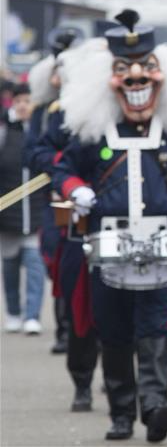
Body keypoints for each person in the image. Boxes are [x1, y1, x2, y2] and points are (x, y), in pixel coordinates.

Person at [53, 10, 167, 442]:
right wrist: (76, 188)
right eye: (125, 74)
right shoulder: (94, 133)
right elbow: (63, 168)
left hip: (159, 246)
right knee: (115, 333)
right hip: (107, 249)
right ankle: (121, 412)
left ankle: (155, 407)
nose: (136, 83)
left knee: (156, 329)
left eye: (145, 74)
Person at [33, 37, 107, 413]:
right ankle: (82, 382)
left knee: (132, 316)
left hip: (124, 229)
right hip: (78, 225)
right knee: (79, 306)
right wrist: (70, 181)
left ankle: (123, 383)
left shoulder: (134, 114)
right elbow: (43, 152)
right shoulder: (65, 113)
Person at [24, 29, 81, 353]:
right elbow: (33, 152)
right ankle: (63, 328)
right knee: (55, 261)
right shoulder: (44, 111)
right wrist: (60, 164)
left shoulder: (91, 107)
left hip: (87, 197)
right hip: (54, 198)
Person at [1, 83, 45, 336]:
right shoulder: (5, 134)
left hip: (37, 214)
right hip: (7, 216)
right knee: (9, 268)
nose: (22, 105)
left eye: (27, 101)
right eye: (18, 101)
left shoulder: (41, 132)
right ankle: (14, 313)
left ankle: (32, 315)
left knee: (35, 266)